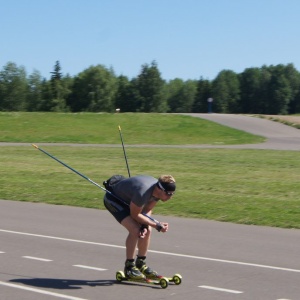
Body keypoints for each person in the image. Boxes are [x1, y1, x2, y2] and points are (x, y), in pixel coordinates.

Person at [103, 174, 176, 280]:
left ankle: (140, 264)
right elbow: (135, 215)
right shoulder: (143, 193)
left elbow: (147, 210)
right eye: (168, 194)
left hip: (130, 202)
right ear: (160, 189)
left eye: (172, 194)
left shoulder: (158, 192)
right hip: (114, 200)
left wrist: (146, 225)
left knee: (147, 230)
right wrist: (156, 225)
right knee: (135, 230)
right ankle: (129, 268)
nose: (170, 197)